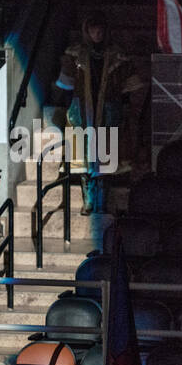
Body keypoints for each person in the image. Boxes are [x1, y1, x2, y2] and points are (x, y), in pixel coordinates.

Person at [55, 11, 145, 215]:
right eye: (93, 30)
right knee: (85, 158)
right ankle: (89, 200)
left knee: (105, 156)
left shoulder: (117, 56)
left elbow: (130, 87)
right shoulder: (75, 54)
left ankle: (102, 200)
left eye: (100, 30)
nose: (97, 34)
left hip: (108, 111)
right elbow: (66, 85)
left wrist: (124, 108)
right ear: (87, 31)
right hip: (83, 110)